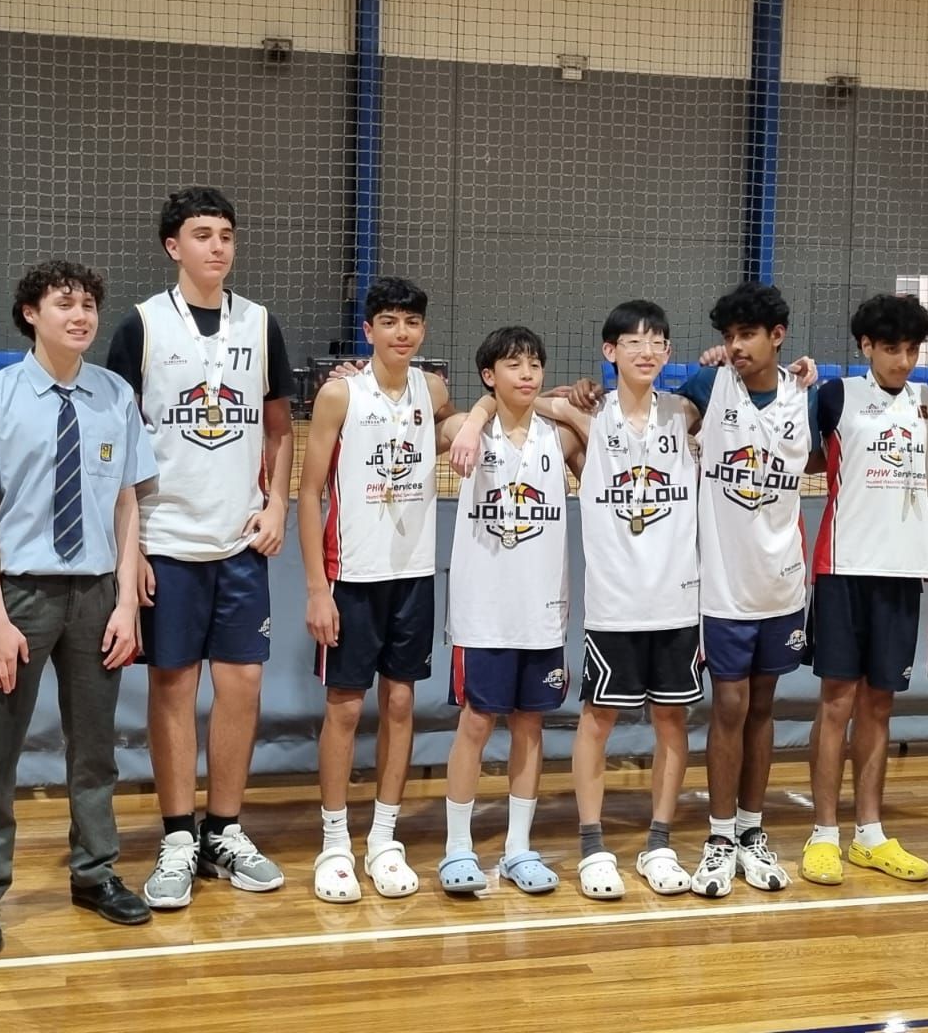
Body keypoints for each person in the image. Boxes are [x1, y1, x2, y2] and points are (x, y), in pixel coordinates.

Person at [0, 260, 155, 957]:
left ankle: (94, 873)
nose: (83, 315)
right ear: (31, 313)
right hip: (22, 596)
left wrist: (126, 602)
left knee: (95, 750)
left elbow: (127, 504)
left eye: (91, 303)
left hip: (97, 596)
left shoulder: (115, 396)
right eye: (66, 303)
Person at [465, 300, 703, 901]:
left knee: (673, 722)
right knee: (598, 721)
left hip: (678, 602)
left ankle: (659, 842)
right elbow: (514, 398)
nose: (646, 350)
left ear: (668, 353)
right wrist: (486, 410)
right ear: (610, 351)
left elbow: (742, 391)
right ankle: (593, 844)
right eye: (633, 341)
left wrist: (759, 364)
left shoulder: (684, 415)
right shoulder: (585, 422)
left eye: (657, 342)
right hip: (614, 604)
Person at [106, 187, 295, 910]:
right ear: (171, 246)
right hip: (166, 539)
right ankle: (178, 834)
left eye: (226, 235)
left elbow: (279, 426)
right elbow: (119, 445)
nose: (217, 246)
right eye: (202, 234)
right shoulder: (143, 327)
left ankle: (226, 828)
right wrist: (134, 547)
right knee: (174, 686)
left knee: (242, 686)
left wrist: (276, 502)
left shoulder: (260, 323)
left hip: (241, 538)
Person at [298, 276, 465, 903]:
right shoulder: (341, 394)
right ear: (368, 331)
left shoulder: (435, 389)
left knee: (400, 705)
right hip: (351, 575)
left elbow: (455, 427)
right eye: (389, 322)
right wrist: (318, 587)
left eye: (412, 323)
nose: (402, 333)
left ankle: (383, 838)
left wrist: (474, 422)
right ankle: (335, 841)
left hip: (412, 574)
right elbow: (309, 492)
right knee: (344, 707)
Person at [674, 282, 817, 898]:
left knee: (764, 706)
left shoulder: (809, 396)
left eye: (746, 335)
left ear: (777, 337)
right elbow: (660, 415)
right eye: (728, 336)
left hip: (782, 585)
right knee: (728, 706)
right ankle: (719, 834)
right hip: (723, 588)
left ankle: (753, 829)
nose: (735, 346)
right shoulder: (710, 388)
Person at [439, 327, 585, 897]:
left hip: (543, 609)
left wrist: (568, 408)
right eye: (512, 364)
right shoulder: (465, 430)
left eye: (534, 364)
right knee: (476, 723)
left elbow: (601, 461)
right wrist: (477, 417)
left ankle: (518, 847)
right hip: (483, 611)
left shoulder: (558, 437)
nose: (526, 373)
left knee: (531, 725)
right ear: (487, 375)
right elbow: (437, 417)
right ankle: (457, 848)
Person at [801, 294, 928, 889]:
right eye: (891, 349)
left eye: (911, 350)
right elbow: (796, 452)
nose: (903, 361)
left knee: (880, 704)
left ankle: (870, 834)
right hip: (843, 565)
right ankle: (824, 834)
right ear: (865, 348)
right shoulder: (834, 397)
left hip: (904, 570)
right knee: (837, 701)